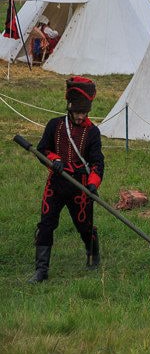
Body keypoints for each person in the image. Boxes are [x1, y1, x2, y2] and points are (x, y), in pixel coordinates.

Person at [30, 76, 105, 283]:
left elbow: (97, 162)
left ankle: (93, 254)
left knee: (84, 226)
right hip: (56, 183)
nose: (81, 117)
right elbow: (42, 149)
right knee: (46, 225)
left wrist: (92, 183)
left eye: (84, 113)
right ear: (69, 109)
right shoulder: (54, 125)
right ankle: (41, 270)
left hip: (80, 186)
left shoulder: (93, 132)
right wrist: (54, 159)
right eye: (77, 112)